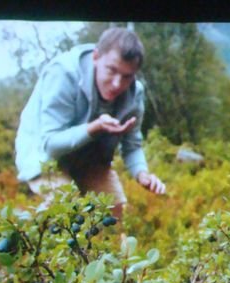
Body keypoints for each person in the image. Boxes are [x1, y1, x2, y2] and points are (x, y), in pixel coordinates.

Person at [14, 27, 165, 219]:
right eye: (111, 70)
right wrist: (94, 128)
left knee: (115, 214)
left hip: (91, 159)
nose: (117, 84)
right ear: (96, 57)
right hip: (43, 156)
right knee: (69, 208)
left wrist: (142, 174)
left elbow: (132, 145)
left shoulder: (135, 94)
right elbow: (51, 144)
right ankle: (26, 226)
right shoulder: (64, 74)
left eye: (127, 76)